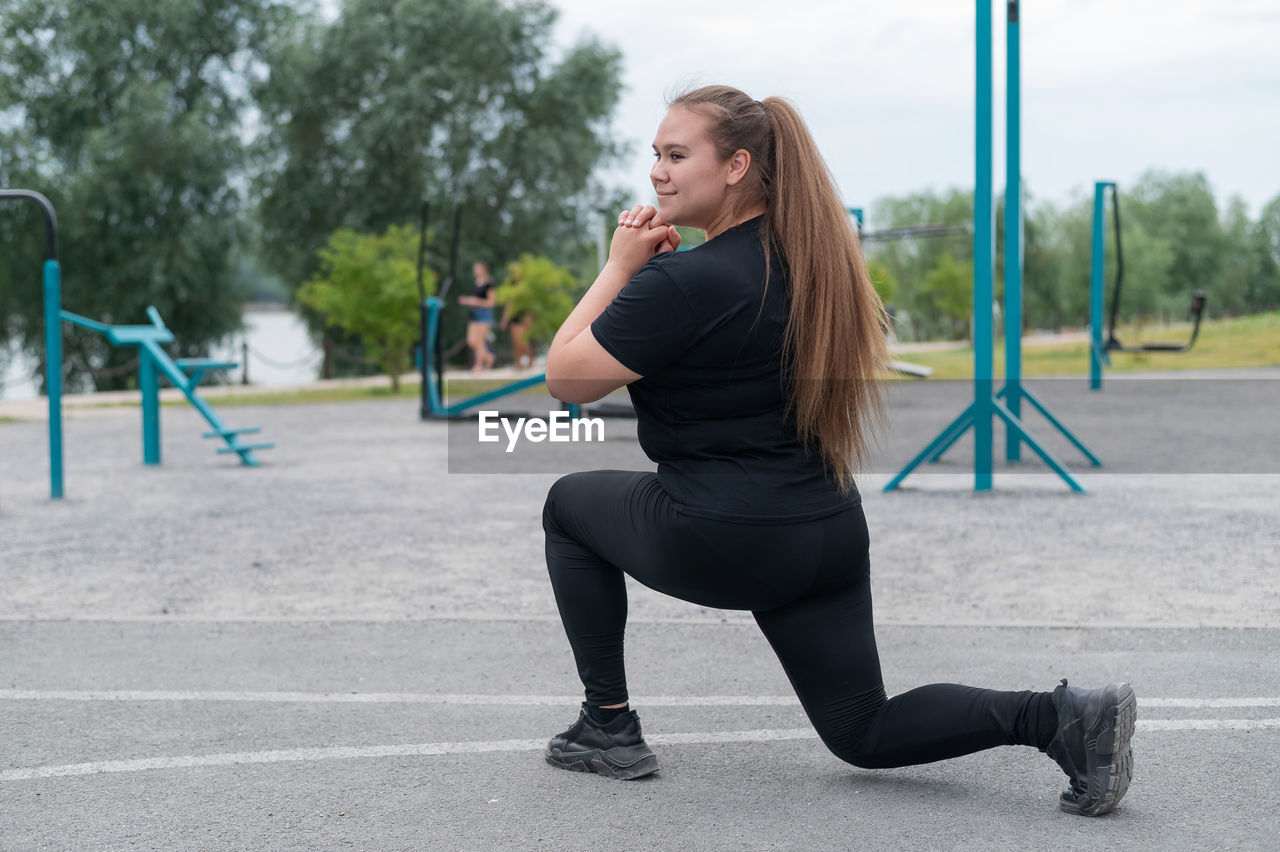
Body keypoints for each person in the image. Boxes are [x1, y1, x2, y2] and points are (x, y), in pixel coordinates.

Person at [539, 85, 1136, 817]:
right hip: (827, 533)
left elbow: (564, 380)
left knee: (567, 504)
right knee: (863, 730)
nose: (657, 172)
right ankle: (1061, 716)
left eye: (675, 154)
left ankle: (608, 725)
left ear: (736, 166)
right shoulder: (815, 267)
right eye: (655, 156)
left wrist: (619, 265)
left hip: (727, 534)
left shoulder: (683, 282)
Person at [457, 261, 497, 372]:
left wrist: (474, 301)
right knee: (471, 341)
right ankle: (489, 357)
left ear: (484, 270)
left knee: (480, 341)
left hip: (485, 314)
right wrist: (468, 301)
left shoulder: (489, 284)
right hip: (474, 314)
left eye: (478, 269)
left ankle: (478, 365)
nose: (476, 271)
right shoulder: (476, 283)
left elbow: (491, 303)